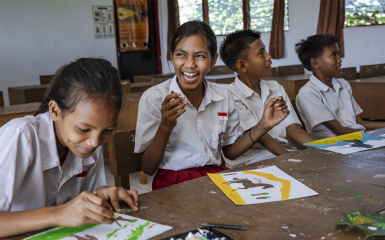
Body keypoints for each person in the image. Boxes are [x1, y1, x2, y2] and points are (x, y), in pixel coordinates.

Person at [134, 21, 289, 190]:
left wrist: (264, 124)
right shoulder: (154, 98)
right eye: (181, 55)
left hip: (216, 176)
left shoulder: (223, 95)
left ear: (213, 60)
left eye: (200, 56)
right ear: (171, 56)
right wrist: (165, 126)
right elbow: (148, 168)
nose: (190, 64)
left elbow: (229, 152)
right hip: (173, 180)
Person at [0, 58, 139, 238]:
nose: (94, 142)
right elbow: (65, 213)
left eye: (108, 130)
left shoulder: (87, 144)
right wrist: (57, 214)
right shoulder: (20, 136)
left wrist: (100, 194)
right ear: (55, 111)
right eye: (83, 129)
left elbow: (84, 202)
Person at [218, 29, 315, 168]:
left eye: (266, 51)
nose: (269, 56)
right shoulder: (230, 95)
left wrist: (319, 150)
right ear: (242, 65)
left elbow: (292, 128)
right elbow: (263, 138)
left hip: (284, 154)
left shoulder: (276, 88)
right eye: (261, 53)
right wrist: (290, 159)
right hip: (253, 161)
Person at [295, 34, 385, 139]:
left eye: (338, 54)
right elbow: (339, 131)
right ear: (315, 63)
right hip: (335, 145)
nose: (340, 60)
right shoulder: (308, 94)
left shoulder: (343, 84)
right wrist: (374, 134)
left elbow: (359, 122)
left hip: (357, 137)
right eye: (333, 55)